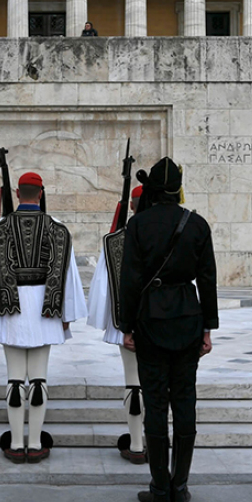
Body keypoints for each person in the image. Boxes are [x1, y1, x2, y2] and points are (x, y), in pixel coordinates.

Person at [118, 159, 218, 502]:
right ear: (177, 189)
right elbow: (207, 280)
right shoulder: (197, 225)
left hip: (150, 320)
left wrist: (126, 326)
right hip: (188, 318)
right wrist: (208, 327)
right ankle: (181, 485)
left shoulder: (138, 225)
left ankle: (160, 490)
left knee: (156, 404)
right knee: (185, 402)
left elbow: (129, 279)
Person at [0, 172, 87, 464]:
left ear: (16, 191)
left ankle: (14, 442)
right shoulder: (58, 229)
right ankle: (34, 444)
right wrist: (67, 314)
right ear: (41, 192)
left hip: (12, 309)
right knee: (38, 379)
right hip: (45, 310)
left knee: (14, 379)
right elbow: (68, 275)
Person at [87, 185, 146, 464]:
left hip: (130, 325)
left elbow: (104, 286)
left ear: (132, 205)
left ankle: (136, 445)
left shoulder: (115, 241)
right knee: (160, 386)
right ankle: (156, 442)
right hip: (168, 323)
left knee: (134, 384)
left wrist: (116, 325)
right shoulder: (174, 234)